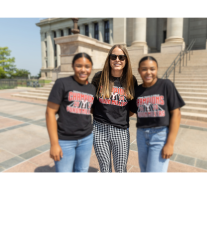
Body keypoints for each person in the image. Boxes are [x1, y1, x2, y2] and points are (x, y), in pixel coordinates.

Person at [130, 56, 185, 173]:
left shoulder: (166, 85)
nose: (148, 72)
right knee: (144, 170)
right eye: (144, 69)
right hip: (141, 135)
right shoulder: (137, 91)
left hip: (160, 136)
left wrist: (170, 144)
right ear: (139, 70)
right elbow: (131, 111)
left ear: (157, 69)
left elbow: (176, 114)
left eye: (152, 69)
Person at [46, 53, 96, 173]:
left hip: (86, 139)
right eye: (79, 66)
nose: (83, 70)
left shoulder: (92, 88)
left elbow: (91, 110)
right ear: (73, 66)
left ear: (91, 68)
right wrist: (54, 144)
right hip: (65, 140)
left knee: (82, 170)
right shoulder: (62, 83)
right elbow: (50, 112)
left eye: (87, 66)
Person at [91, 45, 138, 173]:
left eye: (121, 57)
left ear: (126, 60)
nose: (117, 60)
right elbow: (91, 104)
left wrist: (118, 116)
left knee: (120, 169)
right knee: (105, 170)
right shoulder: (98, 78)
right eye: (114, 56)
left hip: (120, 131)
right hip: (99, 129)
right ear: (109, 59)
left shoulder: (131, 80)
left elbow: (132, 109)